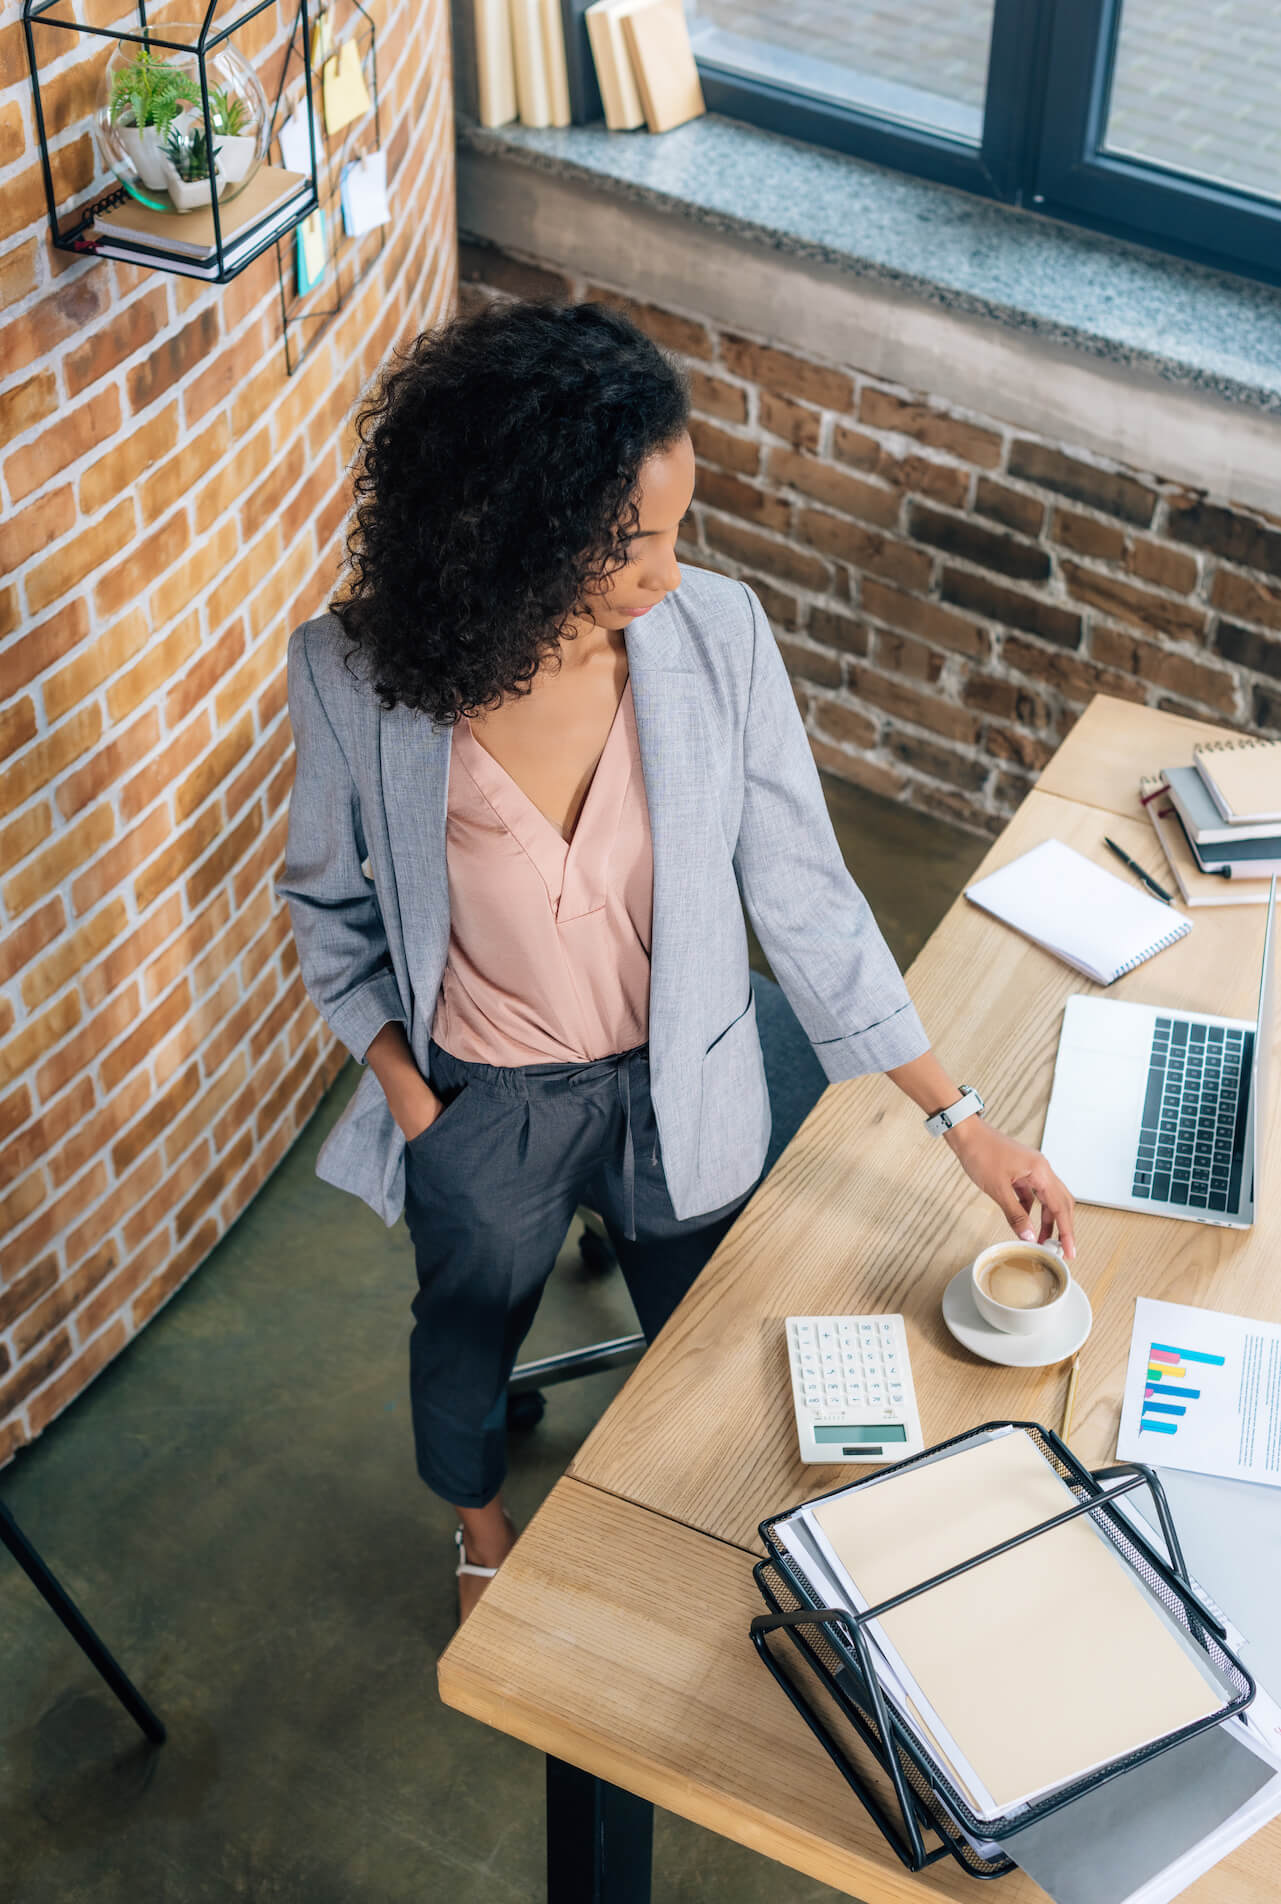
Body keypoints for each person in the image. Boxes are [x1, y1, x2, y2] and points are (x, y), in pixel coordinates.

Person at [276, 299, 1075, 1622]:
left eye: (676, 525)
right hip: (486, 1105)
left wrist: (963, 1123)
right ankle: (478, 1529)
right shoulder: (354, 677)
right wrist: (419, 1105)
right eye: (630, 544)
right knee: (466, 1343)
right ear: (511, 533)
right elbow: (325, 912)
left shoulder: (715, 636)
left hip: (682, 1082)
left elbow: (807, 899)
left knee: (707, 1343)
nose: (667, 570)